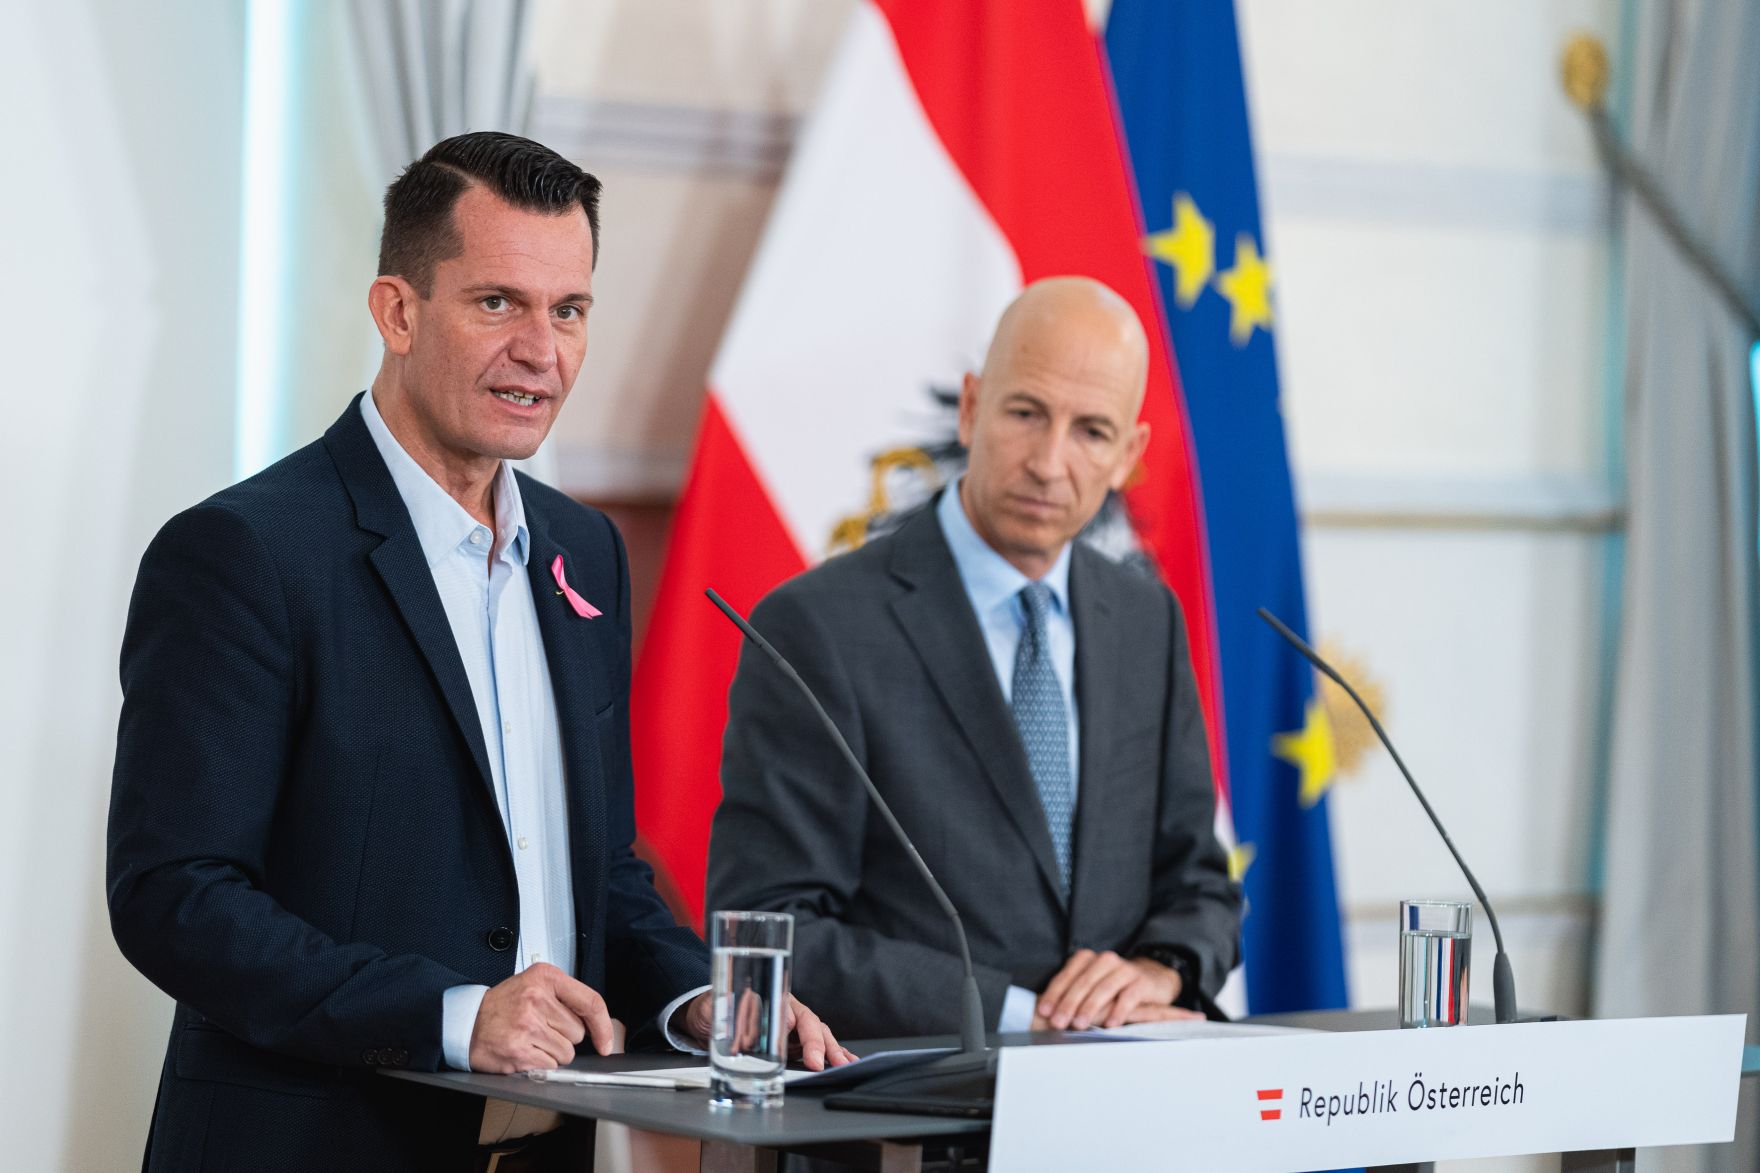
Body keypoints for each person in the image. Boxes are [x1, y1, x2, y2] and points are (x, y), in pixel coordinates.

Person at [107, 132, 849, 1173]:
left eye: (570, 309)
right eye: (498, 302)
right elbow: (175, 896)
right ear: (397, 312)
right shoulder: (245, 553)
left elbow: (599, 873)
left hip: (543, 1150)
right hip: (318, 1143)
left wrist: (704, 1002)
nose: (541, 350)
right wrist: (452, 1016)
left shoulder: (583, 551)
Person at [708, 276, 1243, 1042]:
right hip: (908, 1130)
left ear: (1129, 454)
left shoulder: (1145, 620)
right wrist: (1030, 1016)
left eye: (1091, 431)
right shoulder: (816, 627)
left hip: (1121, 1114)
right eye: (1026, 413)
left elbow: (1199, 883)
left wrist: (1158, 970)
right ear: (970, 407)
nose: (1049, 462)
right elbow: (774, 929)